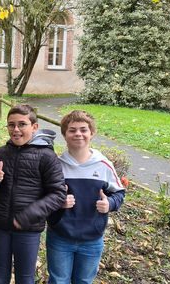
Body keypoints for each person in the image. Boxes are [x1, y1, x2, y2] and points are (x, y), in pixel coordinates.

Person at [0, 104, 66, 284]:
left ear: (34, 127)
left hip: (28, 229)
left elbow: (57, 194)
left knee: (25, 278)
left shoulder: (47, 157)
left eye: (22, 124)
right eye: (11, 125)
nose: (16, 129)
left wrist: (28, 216)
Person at [46, 110, 126, 284]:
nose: (78, 134)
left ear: (92, 133)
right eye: (72, 130)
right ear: (65, 135)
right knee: (58, 280)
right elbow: (43, 197)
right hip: (60, 237)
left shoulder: (104, 165)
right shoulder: (56, 166)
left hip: (92, 238)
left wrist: (110, 203)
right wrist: (58, 202)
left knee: (84, 281)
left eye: (83, 130)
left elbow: (119, 192)